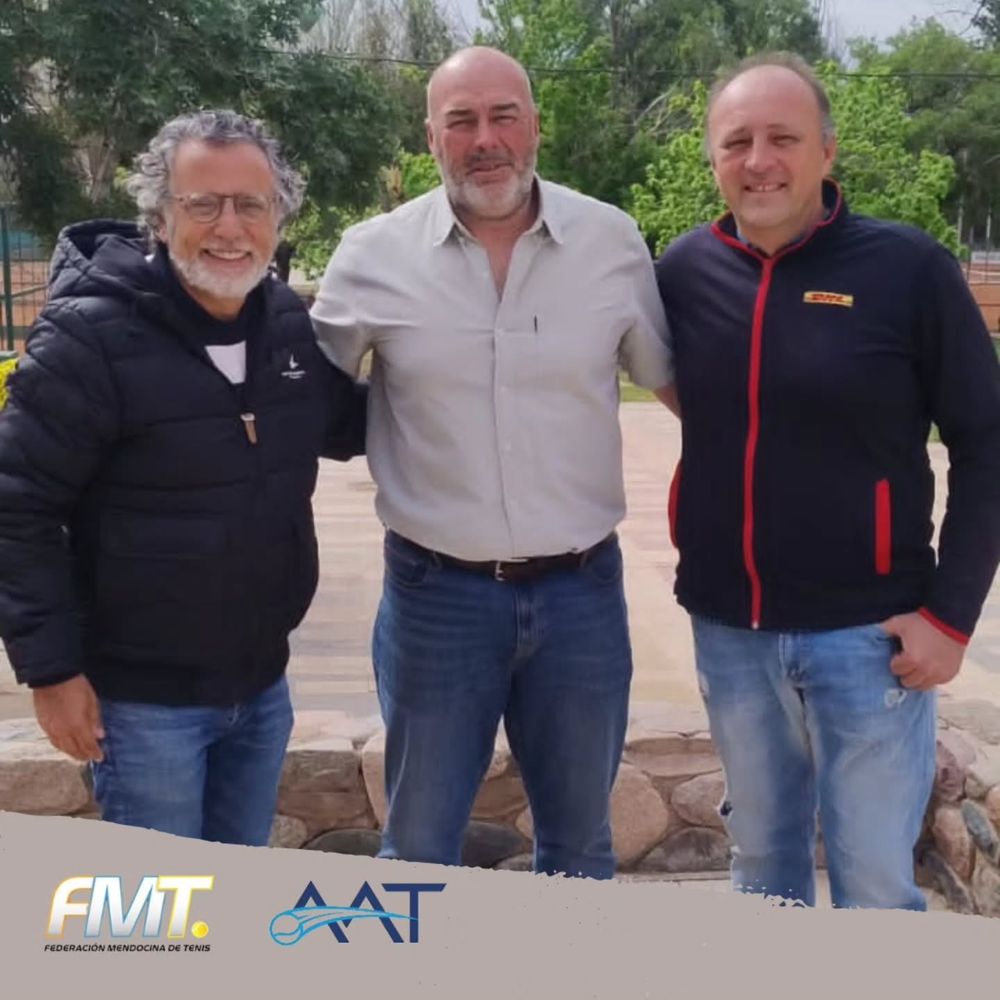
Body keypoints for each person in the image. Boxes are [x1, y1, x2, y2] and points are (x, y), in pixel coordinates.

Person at [311, 46, 676, 878]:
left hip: (583, 597)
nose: (486, 139)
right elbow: (300, 392)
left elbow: (677, 385)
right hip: (436, 599)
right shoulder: (370, 254)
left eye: (504, 115)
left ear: (535, 125)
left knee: (580, 846)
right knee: (418, 849)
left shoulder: (612, 240)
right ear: (430, 137)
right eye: (462, 121)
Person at [655, 52, 1000, 909]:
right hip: (732, 633)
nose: (759, 159)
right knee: (762, 875)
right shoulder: (682, 272)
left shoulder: (907, 270)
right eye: (737, 141)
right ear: (713, 157)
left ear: (827, 153)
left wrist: (950, 618)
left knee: (876, 885)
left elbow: (989, 442)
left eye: (783, 138)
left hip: (871, 640)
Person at [0, 109, 367, 846]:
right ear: (160, 219)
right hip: (141, 705)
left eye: (250, 204)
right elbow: (17, 506)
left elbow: (355, 426)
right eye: (203, 203)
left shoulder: (285, 328)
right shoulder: (89, 338)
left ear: (276, 219)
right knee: (155, 923)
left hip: (261, 688)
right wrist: (51, 670)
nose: (229, 225)